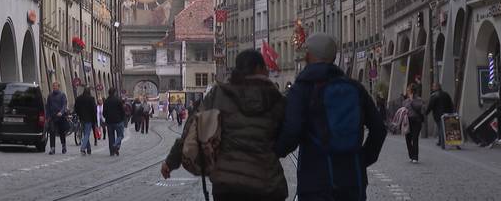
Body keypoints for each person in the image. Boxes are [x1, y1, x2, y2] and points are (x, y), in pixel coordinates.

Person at [162, 49, 288, 200]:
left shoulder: (218, 94)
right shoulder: (276, 98)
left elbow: (193, 128)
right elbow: (289, 134)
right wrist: (273, 151)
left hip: (227, 183)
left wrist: (171, 161)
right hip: (265, 183)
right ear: (258, 69)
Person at [276, 33, 387, 201]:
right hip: (352, 179)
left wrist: (276, 151)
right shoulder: (355, 88)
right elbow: (379, 128)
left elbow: (292, 130)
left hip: (315, 179)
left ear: (309, 55)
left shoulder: (302, 89)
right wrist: (362, 159)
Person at [425, 82, 455, 148]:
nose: (432, 88)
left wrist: (426, 113)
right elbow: (451, 104)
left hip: (438, 115)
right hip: (447, 114)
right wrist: (452, 112)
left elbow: (430, 106)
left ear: (437, 87)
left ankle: (442, 142)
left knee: (440, 128)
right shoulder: (446, 94)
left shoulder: (434, 95)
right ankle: (442, 141)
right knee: (446, 127)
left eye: (433, 86)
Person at [403, 83, 425, 163]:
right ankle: (411, 155)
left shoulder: (419, 100)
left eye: (408, 90)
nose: (407, 91)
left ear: (412, 91)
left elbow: (419, 109)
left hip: (416, 121)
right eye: (407, 90)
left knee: (415, 139)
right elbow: (404, 109)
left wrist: (412, 101)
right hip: (407, 121)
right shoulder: (405, 101)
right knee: (408, 139)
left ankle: (415, 157)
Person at [46, 81, 68, 155]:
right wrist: (48, 116)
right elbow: (47, 106)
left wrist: (61, 112)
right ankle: (52, 148)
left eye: (56, 86)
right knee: (52, 132)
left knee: (62, 132)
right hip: (52, 117)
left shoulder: (62, 95)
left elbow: (64, 105)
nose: (54, 88)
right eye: (53, 86)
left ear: (58, 87)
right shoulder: (50, 96)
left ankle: (63, 146)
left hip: (60, 117)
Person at [74, 87, 97, 155]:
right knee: (87, 134)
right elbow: (94, 110)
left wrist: (79, 114)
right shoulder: (91, 99)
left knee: (85, 134)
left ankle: (89, 149)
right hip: (89, 119)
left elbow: (76, 108)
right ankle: (83, 148)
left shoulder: (78, 98)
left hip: (81, 119)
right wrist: (95, 120)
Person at [103, 87, 125, 156]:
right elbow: (122, 111)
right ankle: (116, 145)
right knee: (120, 135)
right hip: (118, 121)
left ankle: (112, 152)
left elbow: (104, 113)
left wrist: (106, 117)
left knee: (111, 137)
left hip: (109, 122)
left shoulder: (106, 101)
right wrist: (122, 118)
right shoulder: (118, 100)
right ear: (114, 93)